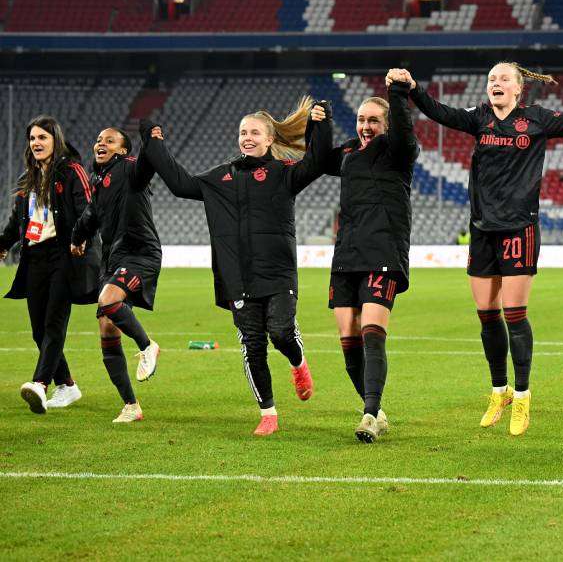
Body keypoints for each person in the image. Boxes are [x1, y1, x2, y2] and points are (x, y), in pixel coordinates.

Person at [407, 62, 563, 436]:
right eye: (491, 79)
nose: (495, 84)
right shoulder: (479, 118)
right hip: (482, 229)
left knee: (514, 314)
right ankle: (498, 391)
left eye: (503, 79)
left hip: (520, 227)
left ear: (519, 88)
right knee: (487, 315)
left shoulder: (536, 119)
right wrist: (413, 89)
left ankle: (522, 396)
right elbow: (440, 112)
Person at [139, 98, 331, 436]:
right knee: (253, 345)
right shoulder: (219, 177)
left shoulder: (284, 174)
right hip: (237, 277)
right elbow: (179, 183)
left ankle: (298, 363)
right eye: (243, 132)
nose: (247, 137)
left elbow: (316, 161)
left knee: (282, 333)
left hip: (278, 272)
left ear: (270, 139)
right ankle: (268, 413)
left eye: (255, 132)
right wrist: (153, 143)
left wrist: (320, 123)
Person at [322, 70, 418, 443]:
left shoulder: (399, 151)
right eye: (361, 119)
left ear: (388, 125)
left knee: (372, 333)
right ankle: (375, 409)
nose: (365, 126)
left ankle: (367, 414)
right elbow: (318, 161)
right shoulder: (349, 152)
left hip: (383, 251)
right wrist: (322, 124)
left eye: (373, 120)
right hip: (347, 253)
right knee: (348, 340)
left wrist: (396, 93)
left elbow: (405, 134)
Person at [0, 116, 100, 413]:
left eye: (42, 137)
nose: (36, 143)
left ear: (55, 140)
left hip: (65, 256)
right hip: (35, 259)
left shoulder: (72, 171)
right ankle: (67, 386)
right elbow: (17, 224)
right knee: (38, 331)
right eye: (32, 139)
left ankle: (40, 384)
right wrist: (3, 244)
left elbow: (89, 210)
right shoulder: (27, 180)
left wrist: (80, 238)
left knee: (54, 324)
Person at [69, 127, 163, 423]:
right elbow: (90, 217)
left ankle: (148, 346)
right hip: (114, 260)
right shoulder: (99, 182)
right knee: (107, 330)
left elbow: (147, 165)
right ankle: (131, 406)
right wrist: (76, 238)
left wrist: (150, 140)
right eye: (98, 140)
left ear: (122, 150)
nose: (101, 143)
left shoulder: (130, 168)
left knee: (108, 299)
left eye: (109, 140)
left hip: (139, 253)